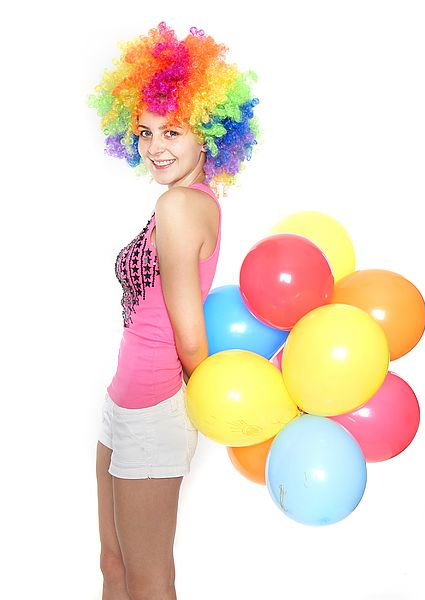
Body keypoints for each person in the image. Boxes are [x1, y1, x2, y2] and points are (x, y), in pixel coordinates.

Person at [88, 22, 259, 600]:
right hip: (123, 400)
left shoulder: (181, 205)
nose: (155, 145)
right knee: (114, 565)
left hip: (154, 407)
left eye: (173, 130)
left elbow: (190, 337)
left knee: (150, 577)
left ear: (209, 132)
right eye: (145, 131)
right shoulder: (185, 202)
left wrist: (204, 403)